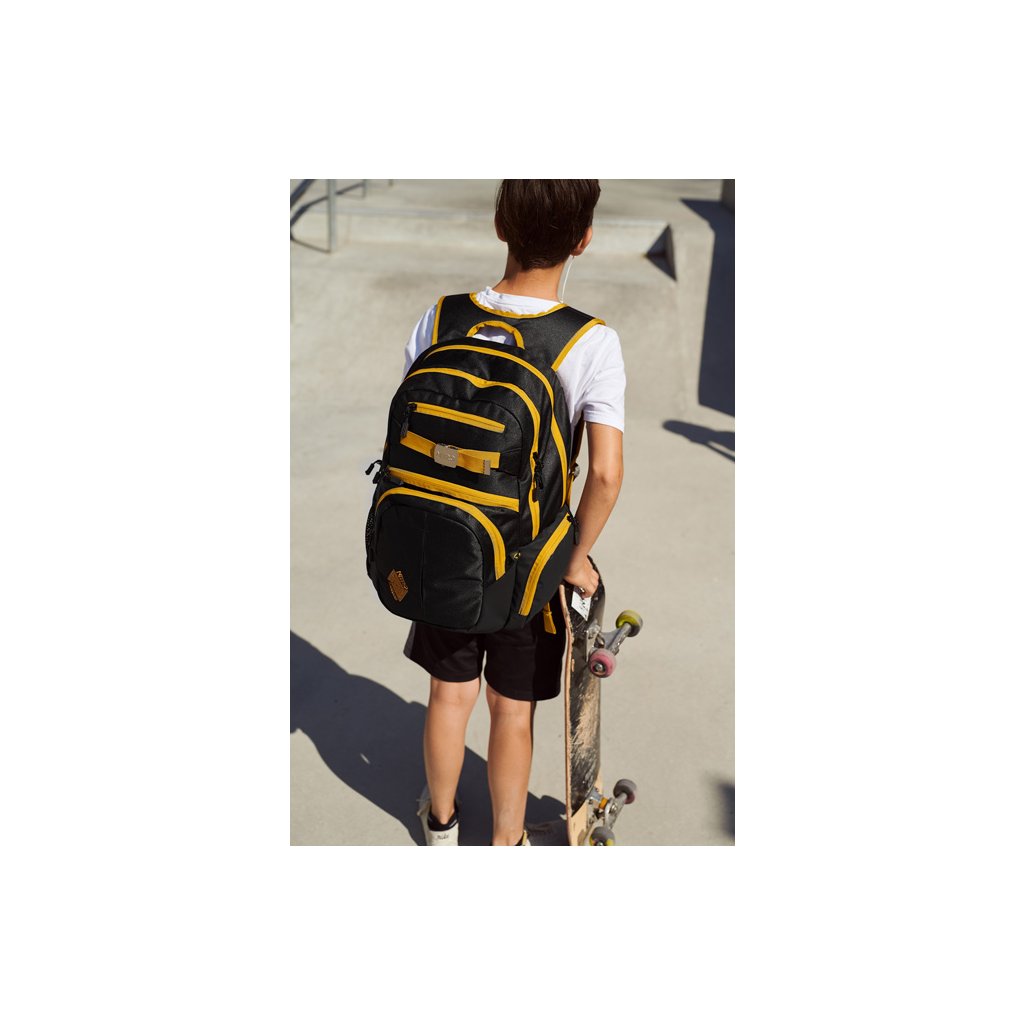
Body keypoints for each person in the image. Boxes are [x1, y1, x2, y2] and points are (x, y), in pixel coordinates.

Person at [401, 180, 626, 846]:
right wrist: (573, 558)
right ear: (584, 239)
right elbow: (606, 474)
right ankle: (507, 841)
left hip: (444, 544)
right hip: (528, 562)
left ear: (500, 223)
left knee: (449, 693)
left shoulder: (440, 318)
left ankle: (441, 825)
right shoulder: (589, 342)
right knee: (511, 708)